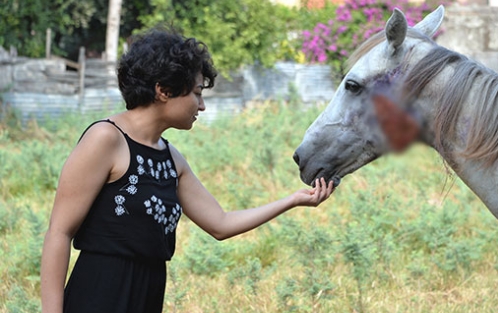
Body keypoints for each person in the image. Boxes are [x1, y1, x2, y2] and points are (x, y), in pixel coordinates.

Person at [40, 27, 335, 313]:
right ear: (164, 90)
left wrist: (293, 200)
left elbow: (220, 223)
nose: (202, 105)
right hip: (99, 294)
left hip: (149, 294)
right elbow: (59, 232)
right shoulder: (105, 139)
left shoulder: (171, 159)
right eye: (197, 93)